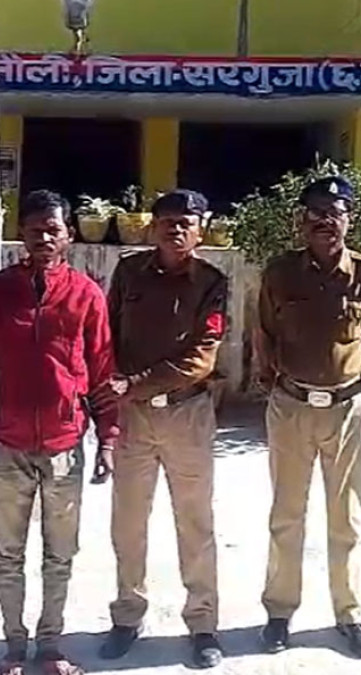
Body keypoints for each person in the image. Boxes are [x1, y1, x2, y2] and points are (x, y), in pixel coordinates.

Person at [0, 189, 119, 675]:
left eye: (53, 230)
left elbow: (101, 370)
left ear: (68, 236)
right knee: (8, 553)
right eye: (35, 230)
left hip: (64, 446)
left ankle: (51, 646)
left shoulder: (85, 294)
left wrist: (107, 438)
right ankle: (14, 647)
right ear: (22, 235)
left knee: (60, 554)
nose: (44, 239)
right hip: (8, 445)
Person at [254, 176, 361, 659]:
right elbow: (264, 335)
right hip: (291, 407)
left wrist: (354, 381)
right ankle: (279, 611)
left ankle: (349, 613)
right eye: (315, 212)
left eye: (335, 213)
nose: (325, 221)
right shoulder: (280, 273)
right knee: (286, 514)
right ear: (302, 220)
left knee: (347, 518)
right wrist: (279, 386)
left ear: (348, 220)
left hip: (347, 410)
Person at [98, 189, 230, 668]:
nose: (176, 229)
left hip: (186, 414)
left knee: (194, 522)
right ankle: (127, 616)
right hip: (133, 417)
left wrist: (132, 383)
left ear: (201, 229)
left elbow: (202, 357)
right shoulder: (129, 272)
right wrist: (110, 398)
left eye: (186, 222)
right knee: (128, 522)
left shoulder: (211, 282)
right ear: (152, 227)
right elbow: (107, 335)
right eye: (167, 220)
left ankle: (203, 623)